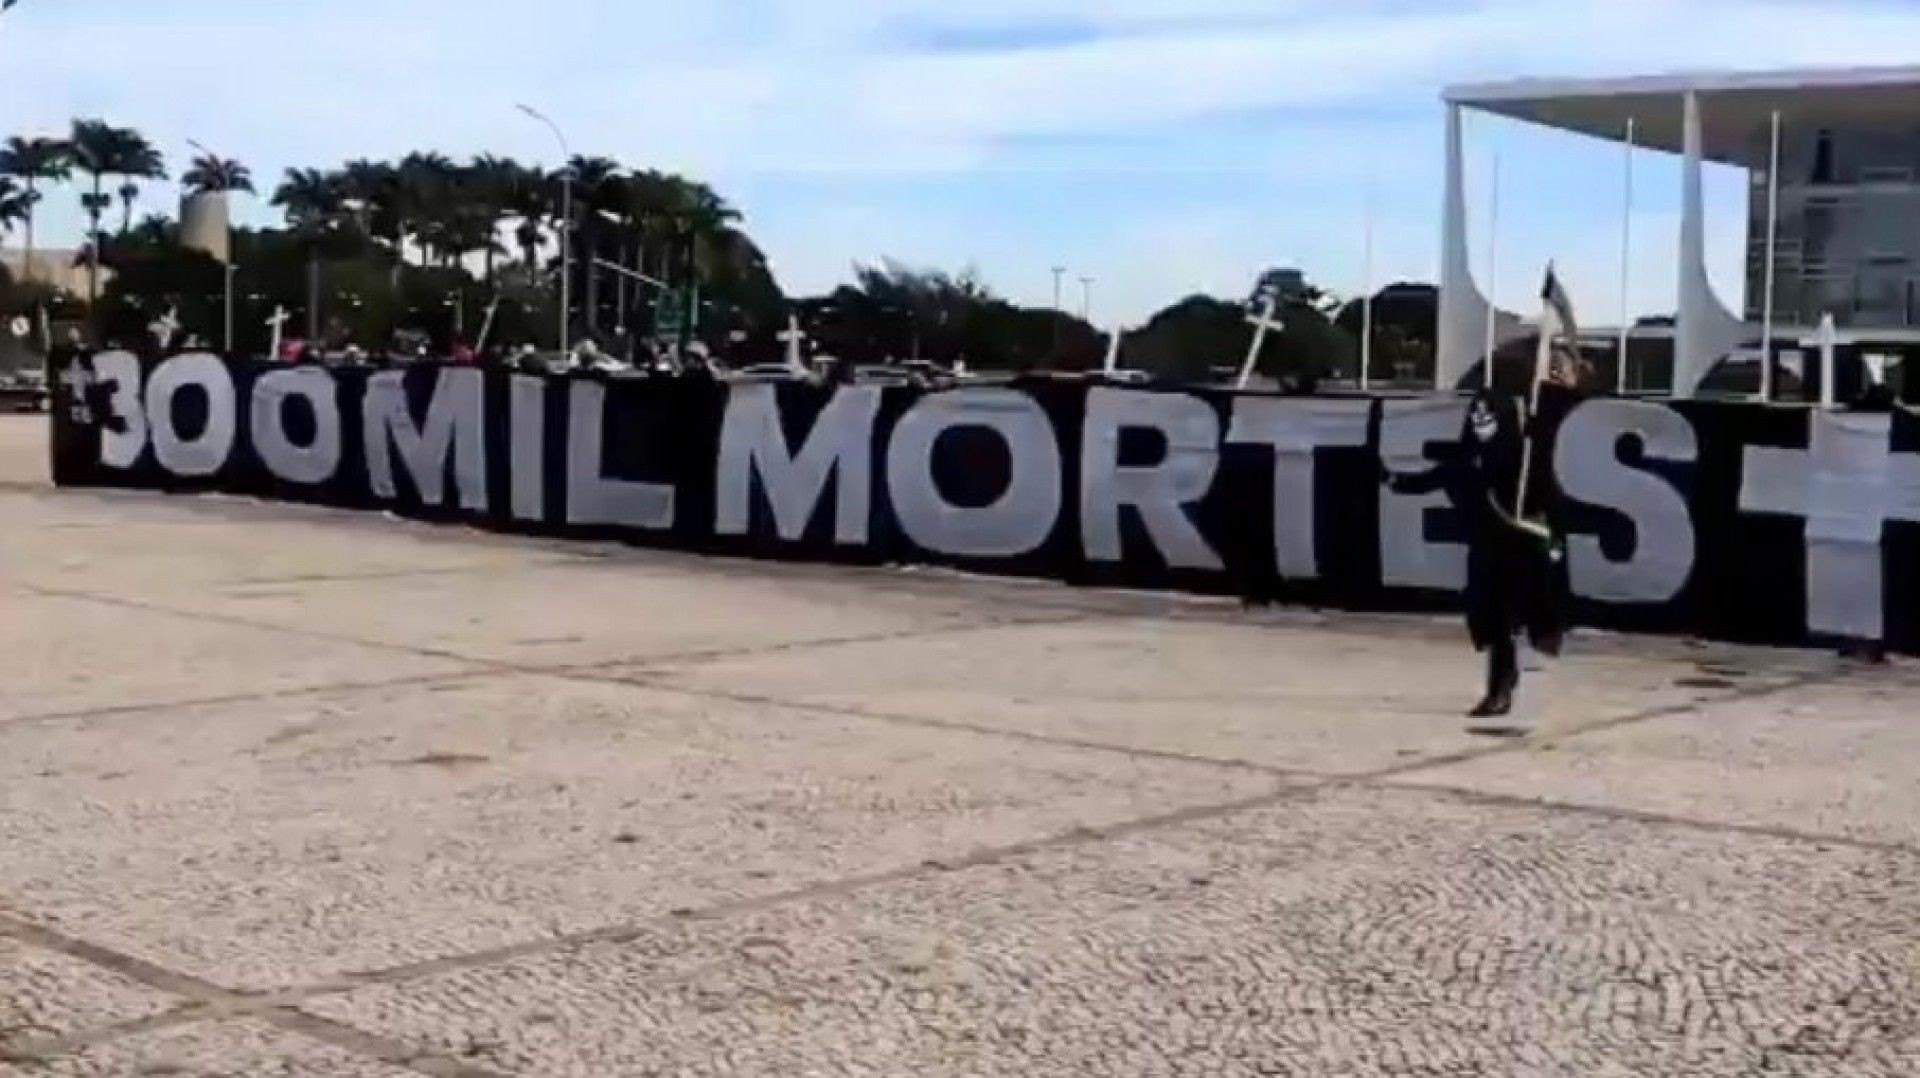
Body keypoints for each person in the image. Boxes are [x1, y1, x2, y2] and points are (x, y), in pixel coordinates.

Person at [1382, 391, 1568, 721]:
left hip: (1522, 546)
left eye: (1489, 419)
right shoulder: (1467, 461)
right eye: (1476, 419)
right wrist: (1393, 480)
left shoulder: (1523, 456)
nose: (1482, 427)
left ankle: (1520, 664)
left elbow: (1547, 497)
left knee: (1528, 612)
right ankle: (1501, 685)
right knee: (1492, 619)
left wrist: (1553, 537)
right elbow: (1434, 478)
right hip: (1486, 549)